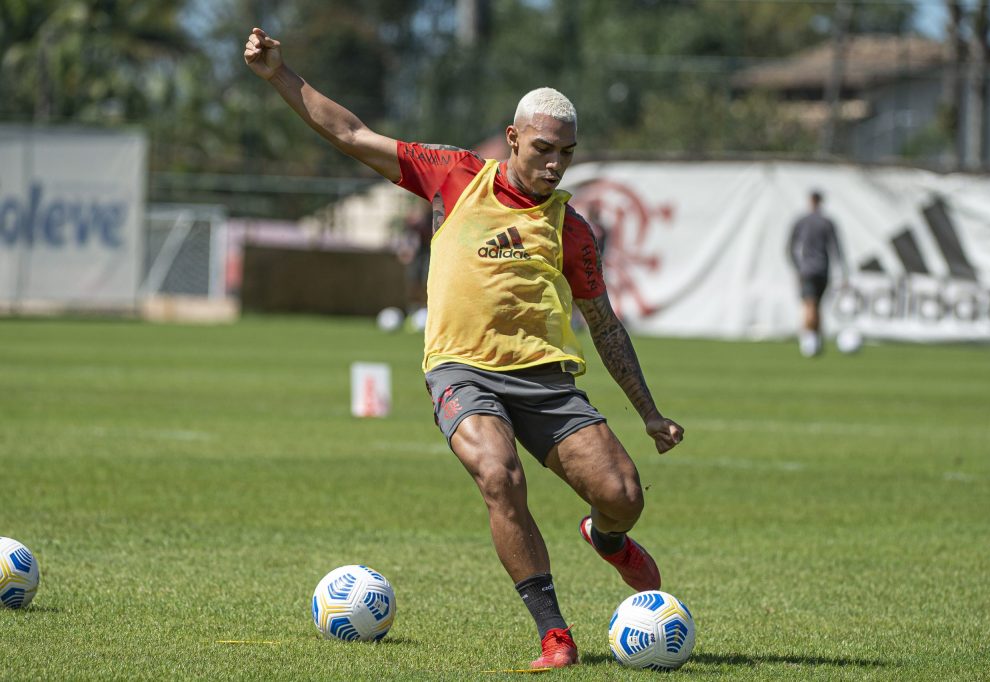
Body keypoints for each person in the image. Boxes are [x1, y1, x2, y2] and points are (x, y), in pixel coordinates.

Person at [244, 27, 684, 669]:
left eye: (567, 152)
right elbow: (352, 134)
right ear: (512, 140)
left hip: (546, 380)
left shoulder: (572, 229)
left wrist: (648, 411)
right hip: (461, 372)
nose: (556, 164)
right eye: (543, 149)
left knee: (623, 495)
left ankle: (608, 539)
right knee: (499, 476)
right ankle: (554, 635)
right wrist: (279, 76)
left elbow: (606, 324)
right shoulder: (454, 176)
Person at [787, 190, 847, 358]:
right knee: (814, 304)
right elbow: (837, 249)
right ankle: (814, 341)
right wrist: (843, 272)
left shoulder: (802, 221)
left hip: (807, 269)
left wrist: (797, 267)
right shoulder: (827, 222)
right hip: (822, 269)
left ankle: (809, 341)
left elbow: (791, 247)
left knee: (810, 304)